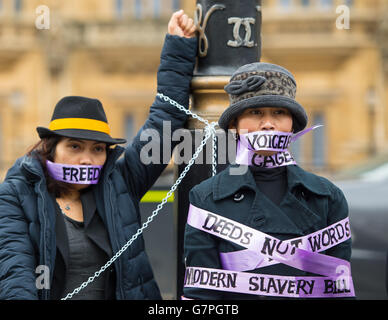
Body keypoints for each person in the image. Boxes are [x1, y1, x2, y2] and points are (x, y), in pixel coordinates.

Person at [0, 10, 197, 300]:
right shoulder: (17, 194)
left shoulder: (120, 181)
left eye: (98, 149)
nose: (87, 159)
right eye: (75, 147)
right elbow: (14, 270)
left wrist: (178, 47)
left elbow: (164, 123)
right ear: (50, 149)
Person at [183, 62, 355, 299]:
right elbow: (202, 295)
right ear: (235, 124)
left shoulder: (327, 197)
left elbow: (338, 290)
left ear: (292, 124)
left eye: (279, 112)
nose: (267, 123)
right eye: (255, 113)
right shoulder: (206, 198)